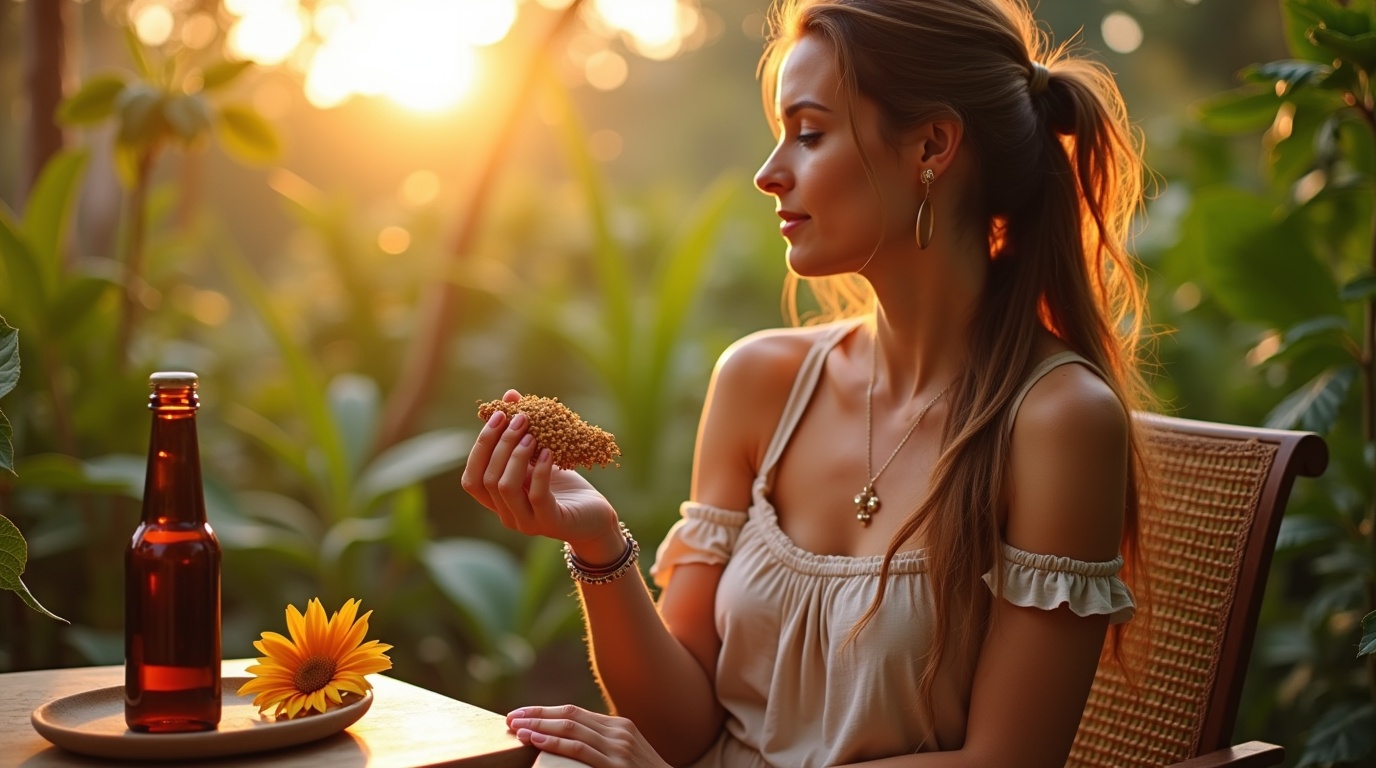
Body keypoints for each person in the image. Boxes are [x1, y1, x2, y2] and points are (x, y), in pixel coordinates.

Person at [460, 0, 1149, 765]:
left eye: (809, 133)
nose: (767, 173)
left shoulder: (1056, 422)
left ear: (933, 144)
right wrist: (595, 543)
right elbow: (682, 731)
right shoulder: (762, 383)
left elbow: (1007, 763)